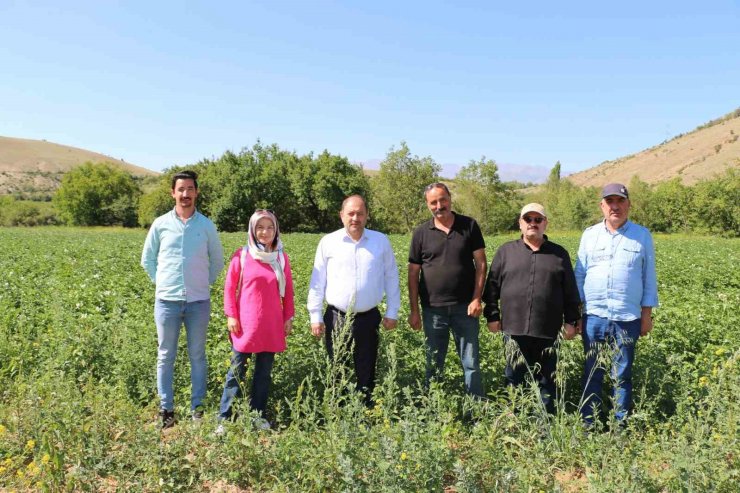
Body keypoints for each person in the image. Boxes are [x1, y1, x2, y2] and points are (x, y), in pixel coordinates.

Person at [141, 170, 224, 429]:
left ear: (196, 192)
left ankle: (197, 409)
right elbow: (148, 260)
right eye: (181, 189)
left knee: (197, 355)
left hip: (198, 302)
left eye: (190, 189)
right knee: (165, 355)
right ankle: (166, 409)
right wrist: (163, 284)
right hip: (167, 302)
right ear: (173, 193)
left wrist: (202, 283)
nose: (185, 194)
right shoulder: (161, 224)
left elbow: (218, 261)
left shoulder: (207, 226)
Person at [483, 203, 580, 414]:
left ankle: (545, 425)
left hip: (549, 330)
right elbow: (492, 287)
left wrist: (571, 321)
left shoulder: (559, 254)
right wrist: (492, 315)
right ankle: (513, 421)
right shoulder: (506, 252)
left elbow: (570, 291)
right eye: (528, 219)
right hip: (513, 329)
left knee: (547, 380)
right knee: (513, 377)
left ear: (545, 223)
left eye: (538, 220)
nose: (533, 224)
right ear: (520, 223)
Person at [575, 183, 658, 426]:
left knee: (622, 374)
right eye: (609, 201)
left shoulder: (642, 235)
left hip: (627, 318)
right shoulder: (589, 235)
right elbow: (579, 275)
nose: (615, 206)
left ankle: (619, 425)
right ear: (602, 206)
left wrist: (646, 315)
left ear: (628, 205)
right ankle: (588, 423)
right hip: (594, 317)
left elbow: (648, 277)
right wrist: (576, 314)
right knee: (592, 372)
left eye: (620, 201)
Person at [307, 195, 401, 406]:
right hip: (336, 316)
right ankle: (338, 411)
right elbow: (317, 280)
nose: (355, 218)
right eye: (350, 213)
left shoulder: (380, 241)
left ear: (367, 215)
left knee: (367, 367)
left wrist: (392, 312)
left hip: (369, 317)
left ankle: (364, 411)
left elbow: (391, 276)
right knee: (337, 366)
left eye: (360, 213)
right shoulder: (328, 242)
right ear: (342, 216)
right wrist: (315, 315)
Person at [216, 210, 295, 433]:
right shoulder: (241, 255)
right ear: (252, 230)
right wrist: (231, 315)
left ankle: (257, 416)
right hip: (245, 324)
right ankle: (225, 417)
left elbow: (288, 290)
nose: (265, 232)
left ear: (276, 230)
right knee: (236, 372)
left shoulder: (280, 257)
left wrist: (288, 316)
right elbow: (230, 288)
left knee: (263, 373)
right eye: (260, 227)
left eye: (270, 227)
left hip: (271, 323)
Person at [408, 183, 487, 397]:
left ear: (450, 198)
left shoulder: (469, 225)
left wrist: (476, 298)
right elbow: (413, 274)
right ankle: (434, 410)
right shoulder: (421, 233)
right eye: (433, 202)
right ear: (427, 205)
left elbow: (481, 263)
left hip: (465, 309)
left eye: (442, 200)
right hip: (433, 310)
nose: (439, 205)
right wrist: (414, 310)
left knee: (471, 364)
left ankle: (476, 410)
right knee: (433, 363)